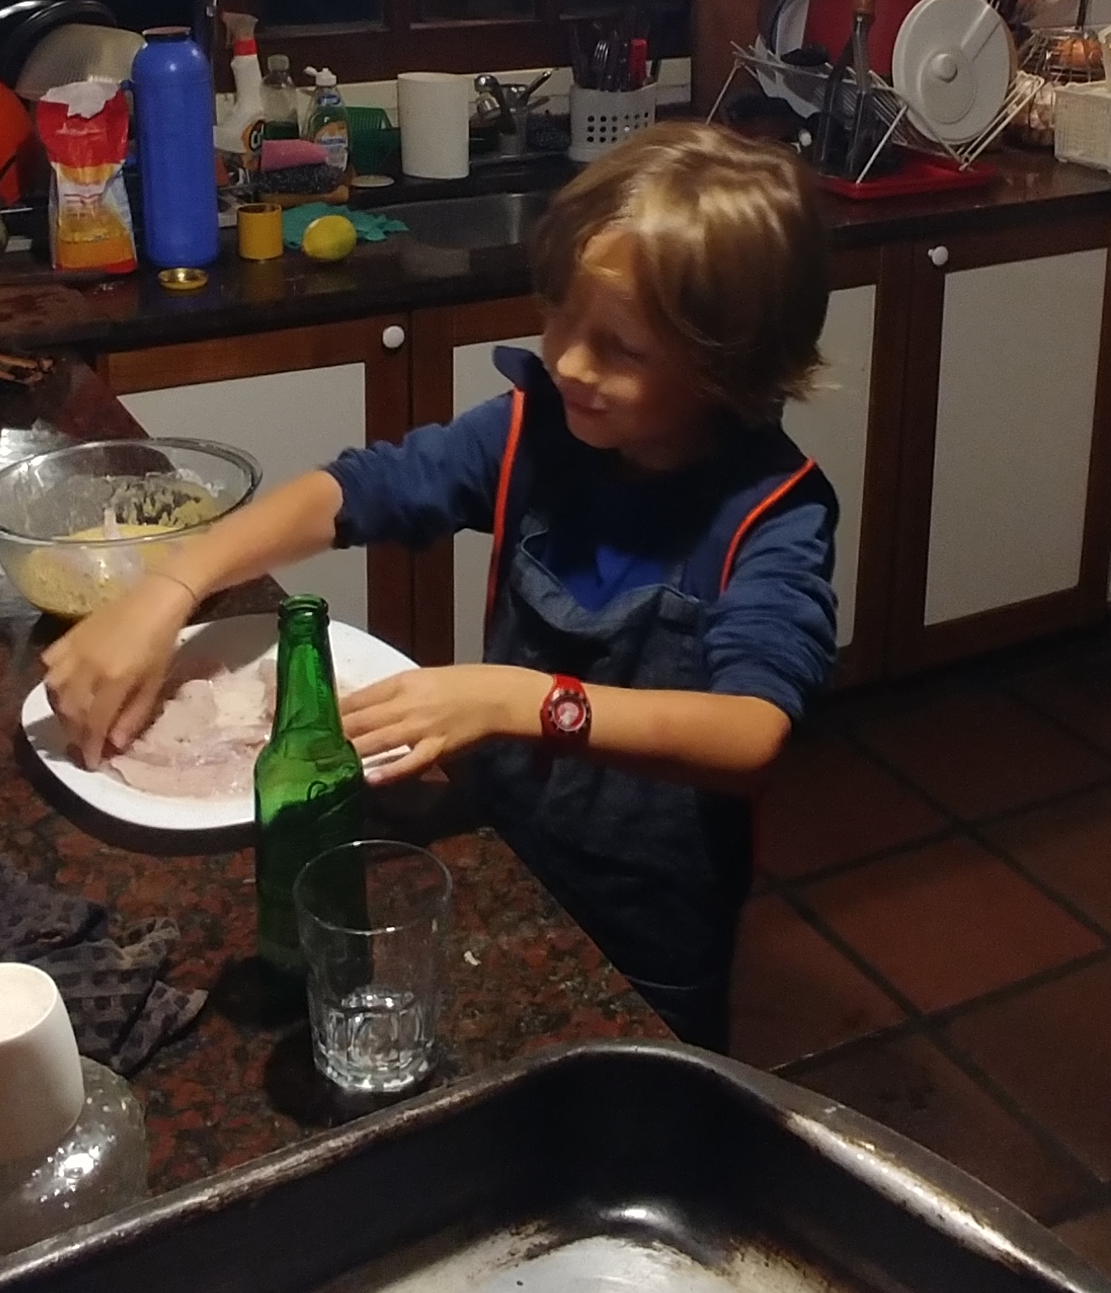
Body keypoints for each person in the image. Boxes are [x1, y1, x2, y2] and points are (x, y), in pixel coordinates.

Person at [42, 119, 838, 1046]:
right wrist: (169, 588)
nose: (568, 361)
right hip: (501, 845)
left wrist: (519, 701)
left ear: (729, 364)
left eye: (621, 347)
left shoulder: (772, 517)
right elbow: (354, 491)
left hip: (653, 924)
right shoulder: (536, 431)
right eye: (559, 316)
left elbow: (751, 734)